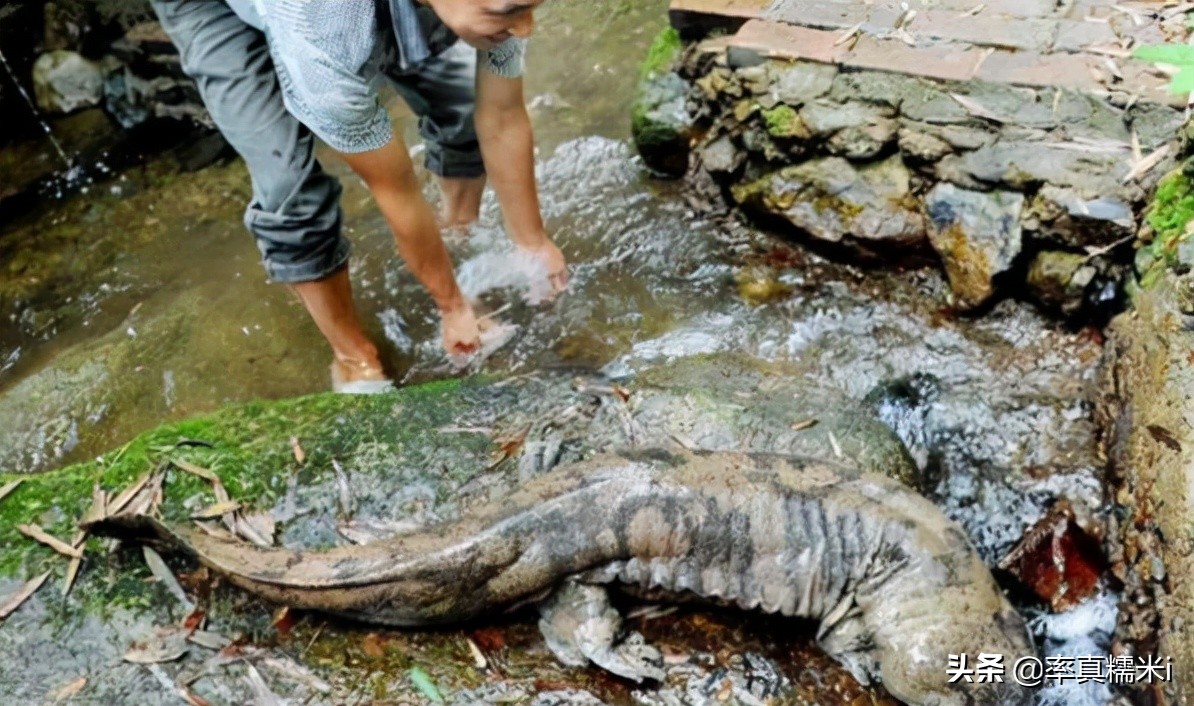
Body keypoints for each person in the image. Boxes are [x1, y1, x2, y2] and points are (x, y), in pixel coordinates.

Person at [148, 0, 568, 392]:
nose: (526, 26)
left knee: (460, 108)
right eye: (509, 9)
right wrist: (452, 308)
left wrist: (531, 242)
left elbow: (501, 115)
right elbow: (394, 187)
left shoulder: (501, 7)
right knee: (291, 193)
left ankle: (458, 235)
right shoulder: (325, 31)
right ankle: (353, 357)